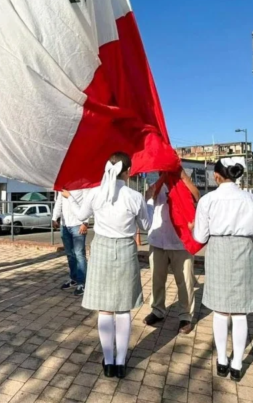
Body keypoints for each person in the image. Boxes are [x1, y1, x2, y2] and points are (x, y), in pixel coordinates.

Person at [62, 152, 153, 379]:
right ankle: (121, 363)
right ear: (129, 171)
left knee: (105, 308)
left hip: (101, 248)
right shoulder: (134, 196)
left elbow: (81, 215)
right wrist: (149, 202)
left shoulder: (96, 193)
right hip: (125, 249)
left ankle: (109, 360)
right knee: (123, 309)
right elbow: (147, 224)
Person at [191, 158, 253, 381]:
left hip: (219, 248)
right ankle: (238, 363)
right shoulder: (250, 198)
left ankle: (222, 360)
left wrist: (194, 229)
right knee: (240, 312)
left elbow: (200, 236)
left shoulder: (208, 199)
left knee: (220, 310)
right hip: (244, 248)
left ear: (218, 175)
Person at [143, 169, 200, 334]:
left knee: (185, 282)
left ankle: (185, 316)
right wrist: (162, 179)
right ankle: (157, 310)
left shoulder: (183, 180)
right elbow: (147, 197)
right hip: (158, 239)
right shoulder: (157, 182)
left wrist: (182, 176)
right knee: (156, 279)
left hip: (180, 242)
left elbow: (197, 196)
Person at [52, 190, 89, 297]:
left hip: (78, 224)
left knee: (79, 254)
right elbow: (59, 202)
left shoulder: (83, 185)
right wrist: (54, 218)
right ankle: (74, 279)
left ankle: (82, 283)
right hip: (65, 225)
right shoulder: (62, 186)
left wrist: (85, 222)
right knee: (70, 254)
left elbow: (87, 204)